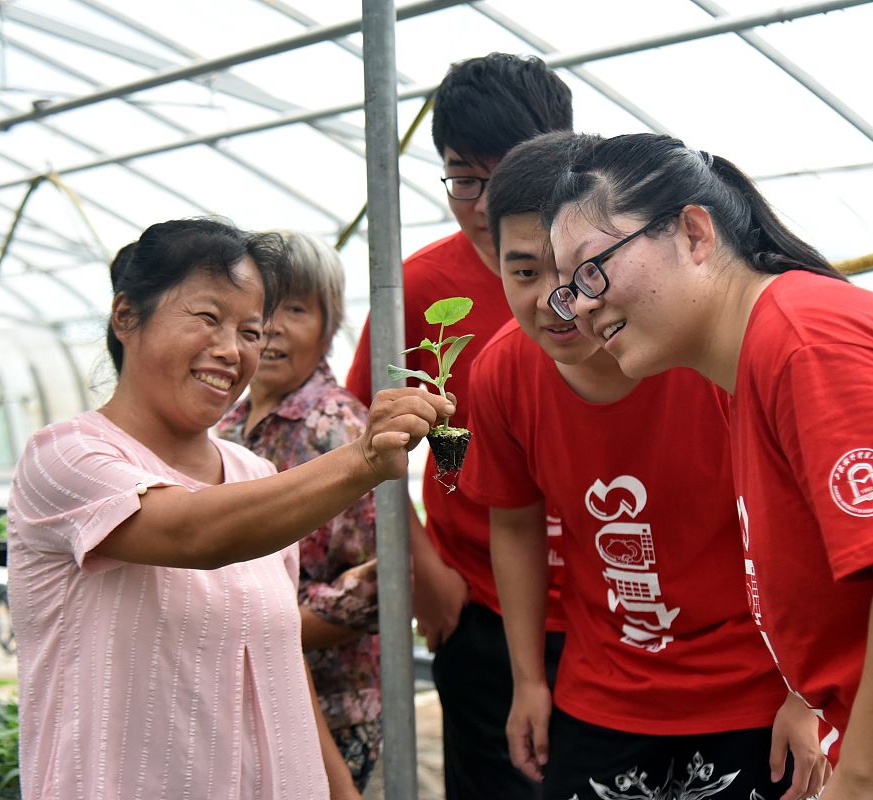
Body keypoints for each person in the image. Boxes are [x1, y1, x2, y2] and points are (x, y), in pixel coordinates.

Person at [543, 133, 873, 799]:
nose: (580, 304)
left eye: (593, 269)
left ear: (694, 233)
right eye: (566, 289)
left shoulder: (803, 343)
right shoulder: (756, 365)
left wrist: (862, 777)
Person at [6, 218, 452, 800]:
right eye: (208, 318)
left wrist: (340, 791)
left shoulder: (254, 473)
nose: (232, 350)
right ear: (126, 316)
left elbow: (276, 659)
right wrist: (362, 459)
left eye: (249, 330)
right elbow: (193, 533)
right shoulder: (65, 457)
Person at [460, 130, 827, 800]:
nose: (555, 298)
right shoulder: (501, 374)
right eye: (524, 272)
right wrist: (528, 680)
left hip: (754, 690)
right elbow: (513, 521)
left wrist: (807, 693)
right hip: (601, 694)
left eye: (577, 270)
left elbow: (812, 528)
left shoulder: (716, 353)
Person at [345, 52, 574, 798]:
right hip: (479, 603)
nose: (481, 204)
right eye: (462, 178)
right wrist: (424, 569)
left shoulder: (619, 273)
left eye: (504, 175)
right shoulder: (418, 288)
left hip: (616, 604)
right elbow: (361, 432)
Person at [216, 230, 381, 794]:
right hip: (240, 692)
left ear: (329, 324)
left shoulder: (339, 429)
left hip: (334, 703)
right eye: (265, 308)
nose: (276, 326)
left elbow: (380, 581)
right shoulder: (225, 424)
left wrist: (256, 627)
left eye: (298, 308)